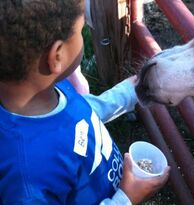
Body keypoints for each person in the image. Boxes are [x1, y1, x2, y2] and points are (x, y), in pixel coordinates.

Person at [0, 0, 170, 204]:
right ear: (57, 55)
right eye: (81, 31)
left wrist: (128, 92)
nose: (83, 36)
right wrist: (126, 199)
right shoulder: (27, 179)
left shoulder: (49, 89)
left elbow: (81, 113)